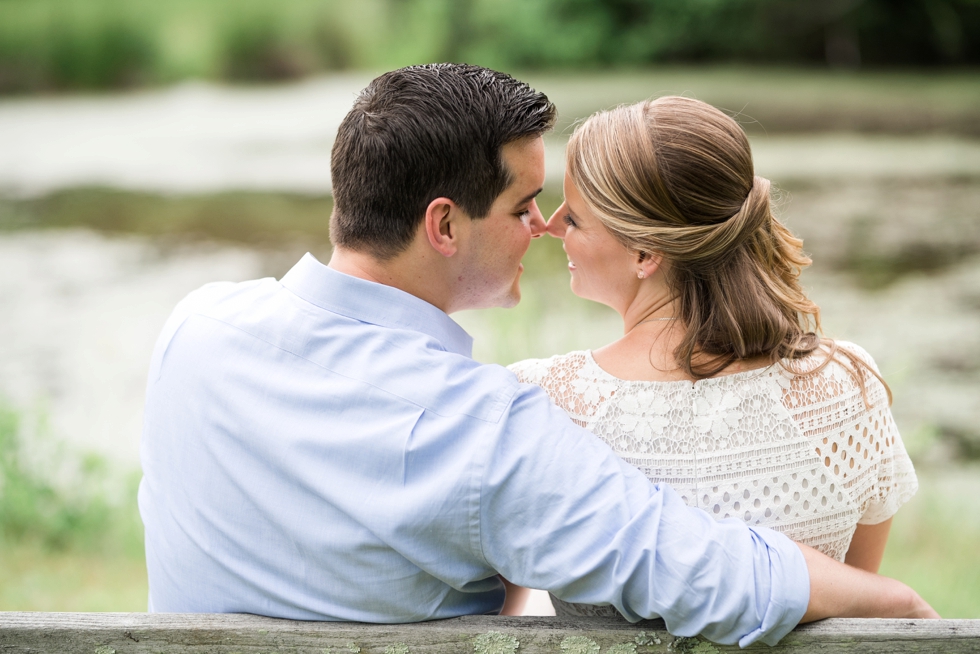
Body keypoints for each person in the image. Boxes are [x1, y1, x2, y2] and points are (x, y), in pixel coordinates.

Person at [138, 65, 936, 648]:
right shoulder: (486, 429)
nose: (544, 228)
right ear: (444, 226)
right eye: (525, 206)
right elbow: (703, 570)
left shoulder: (195, 329)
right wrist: (897, 607)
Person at [508, 96, 927, 618]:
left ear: (644, 253)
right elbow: (860, 606)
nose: (548, 226)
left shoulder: (538, 403)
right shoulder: (845, 387)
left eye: (573, 218)